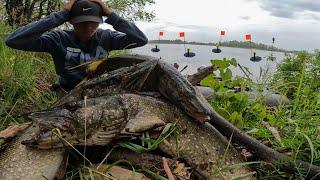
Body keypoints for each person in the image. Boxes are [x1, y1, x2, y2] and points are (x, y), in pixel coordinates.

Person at [5, 0, 148, 93]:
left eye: (93, 22)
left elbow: (140, 39)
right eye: (81, 22)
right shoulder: (57, 39)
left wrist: (110, 14)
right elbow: (13, 40)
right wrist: (60, 15)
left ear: (100, 21)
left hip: (100, 91)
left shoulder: (107, 38)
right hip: (68, 93)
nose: (88, 27)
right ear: (71, 21)